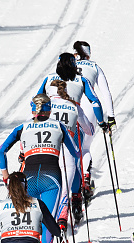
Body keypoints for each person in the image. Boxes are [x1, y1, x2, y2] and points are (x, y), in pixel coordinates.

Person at [0, 94, 79, 243]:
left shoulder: (22, 127)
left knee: (31, 215)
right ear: (49, 109)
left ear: (32, 109)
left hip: (30, 177)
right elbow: (76, 152)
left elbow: (1, 150)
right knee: (47, 216)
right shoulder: (59, 126)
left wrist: (6, 176)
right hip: (52, 176)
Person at [47, 79, 93, 227]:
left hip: (48, 152)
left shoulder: (43, 107)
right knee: (66, 191)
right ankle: (75, 204)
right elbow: (89, 130)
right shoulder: (73, 106)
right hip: (67, 153)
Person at [73, 40, 116, 198]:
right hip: (90, 106)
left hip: (70, 105)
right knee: (85, 147)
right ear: (89, 53)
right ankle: (85, 180)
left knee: (70, 148)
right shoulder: (95, 67)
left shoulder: (67, 64)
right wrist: (110, 117)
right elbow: (106, 93)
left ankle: (71, 183)